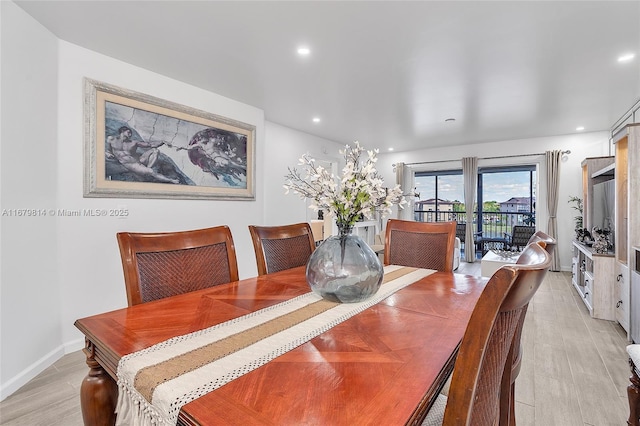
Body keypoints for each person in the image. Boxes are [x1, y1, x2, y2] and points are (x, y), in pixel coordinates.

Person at [106, 126, 179, 184]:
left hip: (138, 160)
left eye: (131, 133)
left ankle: (146, 170)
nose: (130, 134)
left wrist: (163, 142)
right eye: (128, 132)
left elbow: (150, 144)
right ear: (122, 131)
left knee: (155, 151)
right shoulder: (112, 139)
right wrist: (108, 154)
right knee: (151, 171)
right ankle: (171, 180)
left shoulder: (133, 142)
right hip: (131, 164)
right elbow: (108, 150)